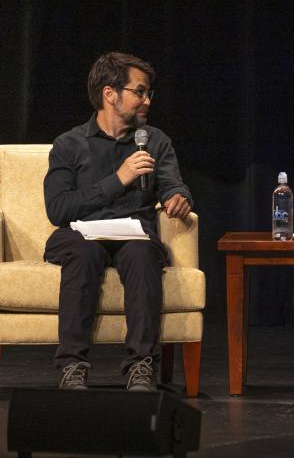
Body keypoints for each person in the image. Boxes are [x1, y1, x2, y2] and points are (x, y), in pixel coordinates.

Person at [43, 52, 193, 392]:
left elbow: (172, 184)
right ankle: (72, 366)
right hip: (81, 233)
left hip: (132, 232)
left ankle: (141, 366)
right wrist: (118, 179)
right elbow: (58, 208)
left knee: (142, 255)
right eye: (139, 91)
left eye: (148, 93)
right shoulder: (69, 144)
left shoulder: (154, 141)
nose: (147, 101)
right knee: (84, 254)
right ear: (110, 94)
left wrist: (178, 197)